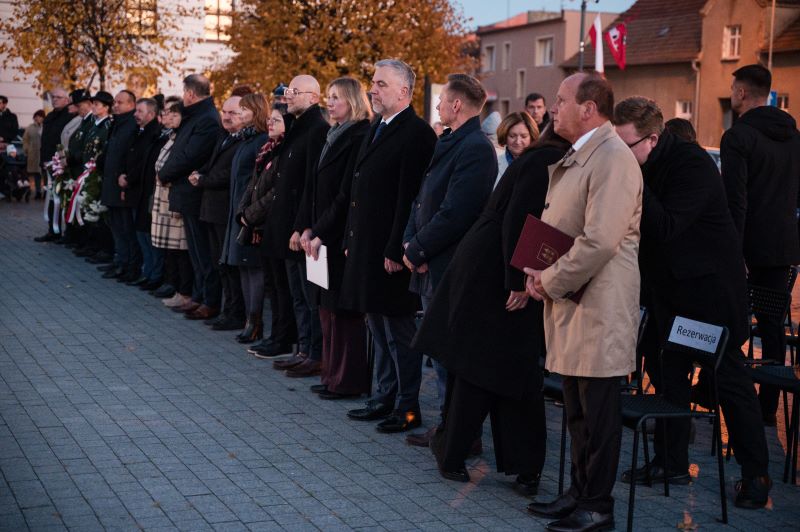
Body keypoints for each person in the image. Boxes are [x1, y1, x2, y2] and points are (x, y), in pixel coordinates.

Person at [614, 96, 773, 509]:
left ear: (652, 138)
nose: (621, 155)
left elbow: (666, 226)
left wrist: (634, 182)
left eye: (625, 145)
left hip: (709, 296)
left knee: (730, 382)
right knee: (669, 378)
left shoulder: (692, 165)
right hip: (670, 292)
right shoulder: (647, 161)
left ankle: (756, 473)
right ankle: (670, 461)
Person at [415, 123, 569, 489]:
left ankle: (517, 462)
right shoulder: (548, 159)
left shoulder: (547, 157)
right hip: (498, 273)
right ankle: (470, 453)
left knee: (507, 370)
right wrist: (516, 281)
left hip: (500, 268)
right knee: (487, 369)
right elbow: (519, 219)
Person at [524, 73, 642, 532]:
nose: (554, 108)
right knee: (576, 413)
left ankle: (597, 505)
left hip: (598, 306)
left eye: (561, 100)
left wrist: (548, 280)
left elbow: (599, 241)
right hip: (574, 301)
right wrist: (540, 273)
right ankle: (578, 492)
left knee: (598, 416)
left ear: (588, 108)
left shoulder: (612, 157)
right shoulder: (585, 151)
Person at [342, 59, 437, 433]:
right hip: (367, 247)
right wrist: (351, 238)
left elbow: (409, 198)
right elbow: (358, 186)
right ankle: (383, 396)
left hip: (391, 253)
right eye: (372, 83)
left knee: (398, 332)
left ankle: (407, 406)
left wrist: (397, 249)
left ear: (404, 92)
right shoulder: (376, 128)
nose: (373, 90)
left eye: (381, 84)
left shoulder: (415, 134)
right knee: (377, 328)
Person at [401, 73, 497, 443]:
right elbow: (423, 198)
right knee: (439, 353)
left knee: (448, 352)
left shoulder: (475, 147)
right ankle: (447, 425)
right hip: (429, 261)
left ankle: (458, 433)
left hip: (449, 266)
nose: (438, 106)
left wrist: (419, 248)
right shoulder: (452, 140)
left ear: (457, 105)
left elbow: (458, 212)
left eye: (442, 101)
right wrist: (411, 241)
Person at [721, 64, 800, 426]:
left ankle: (725, 396)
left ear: (741, 92)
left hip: (747, 249)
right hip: (782, 246)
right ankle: (767, 408)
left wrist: (732, 253)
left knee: (729, 322)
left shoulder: (739, 137)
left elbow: (735, 201)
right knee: (771, 329)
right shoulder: (794, 136)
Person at [294, 77, 373, 399]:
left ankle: (347, 380)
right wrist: (308, 228)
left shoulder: (357, 136)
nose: (329, 102)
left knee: (343, 313)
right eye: (328, 96)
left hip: (339, 235)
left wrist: (320, 230)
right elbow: (317, 190)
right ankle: (330, 374)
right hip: (321, 233)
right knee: (326, 308)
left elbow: (344, 195)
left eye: (336, 97)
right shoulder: (332, 134)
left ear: (353, 101)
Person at [260, 74, 329, 378]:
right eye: (288, 90)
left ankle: (315, 353)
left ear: (314, 97)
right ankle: (303, 349)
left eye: (295, 91)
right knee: (297, 295)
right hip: (284, 225)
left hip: (300, 230)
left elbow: (310, 185)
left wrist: (302, 227)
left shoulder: (316, 130)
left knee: (309, 295)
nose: (288, 95)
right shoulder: (296, 128)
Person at [158, 74, 223, 317]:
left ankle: (209, 299)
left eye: (184, 92)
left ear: (191, 94)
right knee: (195, 251)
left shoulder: (205, 120)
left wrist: (165, 173)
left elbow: (190, 155)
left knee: (202, 251)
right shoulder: (196, 116)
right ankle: (198, 295)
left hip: (194, 194)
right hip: (186, 192)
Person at [237, 104, 297, 347]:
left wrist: (250, 214)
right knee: (273, 285)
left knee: (281, 286)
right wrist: (243, 211)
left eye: (277, 120)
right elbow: (253, 185)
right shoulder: (267, 150)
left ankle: (282, 337)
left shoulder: (284, 151)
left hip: (274, 224)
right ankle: (274, 335)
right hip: (261, 226)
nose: (270, 124)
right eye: (270, 120)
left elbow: (275, 192)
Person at [187, 94, 248, 323]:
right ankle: (225, 309)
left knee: (228, 265)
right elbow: (212, 163)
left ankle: (234, 312)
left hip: (225, 210)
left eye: (233, 113)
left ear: (245, 115)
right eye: (224, 112)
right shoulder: (224, 136)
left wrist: (203, 179)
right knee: (217, 262)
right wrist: (198, 172)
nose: (227, 117)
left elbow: (230, 174)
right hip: (210, 208)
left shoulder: (244, 141)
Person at [217, 94, 268, 331]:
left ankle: (254, 321)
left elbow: (259, 180)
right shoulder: (246, 140)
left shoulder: (260, 140)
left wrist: (252, 214)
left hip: (250, 213)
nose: (241, 113)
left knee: (252, 266)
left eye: (245, 109)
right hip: (237, 210)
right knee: (242, 266)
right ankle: (249, 318)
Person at [153, 99, 196, 309]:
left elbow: (180, 163)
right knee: (172, 249)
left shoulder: (183, 136)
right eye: (166, 112)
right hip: (165, 196)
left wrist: (164, 175)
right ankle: (177, 288)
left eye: (173, 113)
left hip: (176, 195)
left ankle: (185, 291)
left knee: (181, 248)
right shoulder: (171, 136)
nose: (168, 117)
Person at [120, 98, 164, 290]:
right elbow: (128, 155)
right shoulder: (139, 132)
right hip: (134, 189)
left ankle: (153, 274)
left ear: (151, 114)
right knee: (139, 234)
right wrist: (122, 175)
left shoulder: (155, 133)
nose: (135, 115)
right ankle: (147, 272)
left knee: (147, 235)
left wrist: (129, 178)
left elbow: (145, 163)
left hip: (144, 190)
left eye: (139, 111)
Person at [101, 90, 141, 283]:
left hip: (123, 186)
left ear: (131, 104)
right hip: (111, 185)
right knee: (116, 228)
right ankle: (121, 261)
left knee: (127, 230)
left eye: (120, 102)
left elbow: (130, 156)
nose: (115, 105)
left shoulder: (132, 125)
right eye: (115, 102)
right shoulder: (117, 123)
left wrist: (124, 179)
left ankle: (130, 266)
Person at [34, 88, 74, 243]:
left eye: (58, 97)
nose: (54, 99)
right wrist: (43, 162)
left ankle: (68, 232)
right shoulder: (49, 116)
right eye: (53, 97)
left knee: (64, 198)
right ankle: (52, 229)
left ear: (66, 100)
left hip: (61, 164)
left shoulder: (70, 116)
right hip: (47, 163)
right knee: (51, 198)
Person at [495, 112, 538, 187]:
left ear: (532, 137)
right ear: (504, 136)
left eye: (524, 136)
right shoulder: (494, 165)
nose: (518, 142)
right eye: (512, 136)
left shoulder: (539, 165)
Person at [22, 110, 44, 199]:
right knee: (36, 174)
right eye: (37, 116)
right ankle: (38, 191)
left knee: (45, 173)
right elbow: (25, 139)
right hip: (33, 153)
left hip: (43, 153)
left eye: (40, 116)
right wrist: (26, 149)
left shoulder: (45, 126)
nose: (38, 118)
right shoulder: (30, 127)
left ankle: (46, 191)